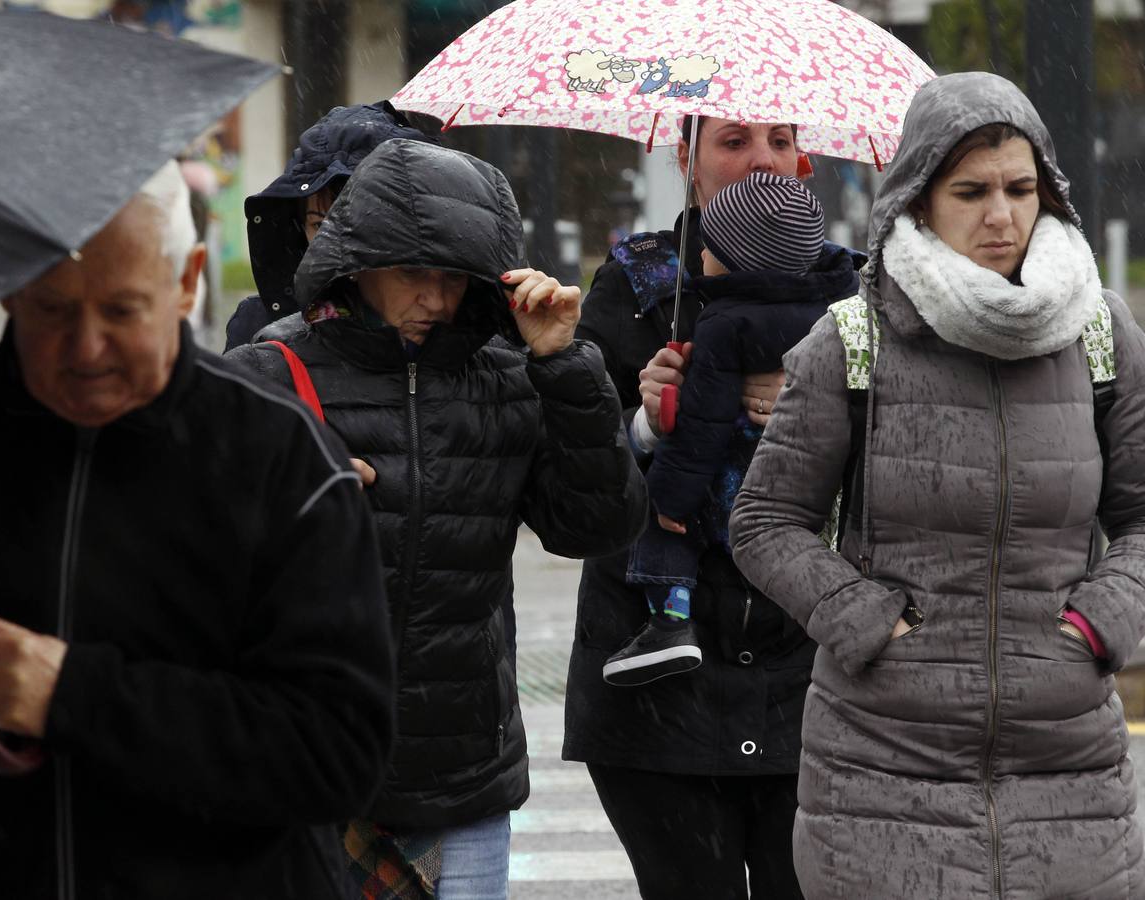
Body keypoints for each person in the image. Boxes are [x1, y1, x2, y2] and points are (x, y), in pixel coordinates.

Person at [0, 161, 395, 899]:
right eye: (52, 309)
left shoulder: (284, 463)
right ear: (13, 286)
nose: (85, 349)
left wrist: (79, 695)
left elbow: (337, 751)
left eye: (122, 311)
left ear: (187, 283)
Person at [729, 71, 1145, 898]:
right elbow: (766, 522)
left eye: (1021, 188)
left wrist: (1104, 619)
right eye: (972, 191)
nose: (1001, 215)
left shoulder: (1101, 332)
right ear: (919, 200)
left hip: (1070, 775)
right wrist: (869, 621)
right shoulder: (853, 341)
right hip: (881, 774)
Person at [227, 137, 648, 899]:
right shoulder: (268, 372)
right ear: (357, 265)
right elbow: (199, 559)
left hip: (465, 776)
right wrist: (296, 508)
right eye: (413, 271)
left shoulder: (509, 376)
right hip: (311, 769)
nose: (436, 299)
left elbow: (597, 527)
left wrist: (564, 363)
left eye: (455, 278)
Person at [561, 115, 865, 900]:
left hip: (813, 673)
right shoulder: (634, 283)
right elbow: (576, 482)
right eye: (733, 140)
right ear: (685, 157)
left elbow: (906, 458)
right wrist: (639, 417)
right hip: (658, 684)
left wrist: (820, 401)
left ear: (803, 159)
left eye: (777, 137)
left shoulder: (855, 291)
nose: (760, 158)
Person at [604, 172, 829, 687]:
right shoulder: (829, 306)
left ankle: (669, 624)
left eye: (709, 248)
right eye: (732, 142)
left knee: (667, 536)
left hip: (724, 484)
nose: (700, 256)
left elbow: (703, 423)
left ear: (729, 258)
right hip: (796, 491)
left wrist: (669, 498)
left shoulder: (725, 323)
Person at [223, 100, 437, 351]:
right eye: (320, 224)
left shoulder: (452, 326)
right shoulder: (258, 327)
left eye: (359, 219)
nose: (334, 241)